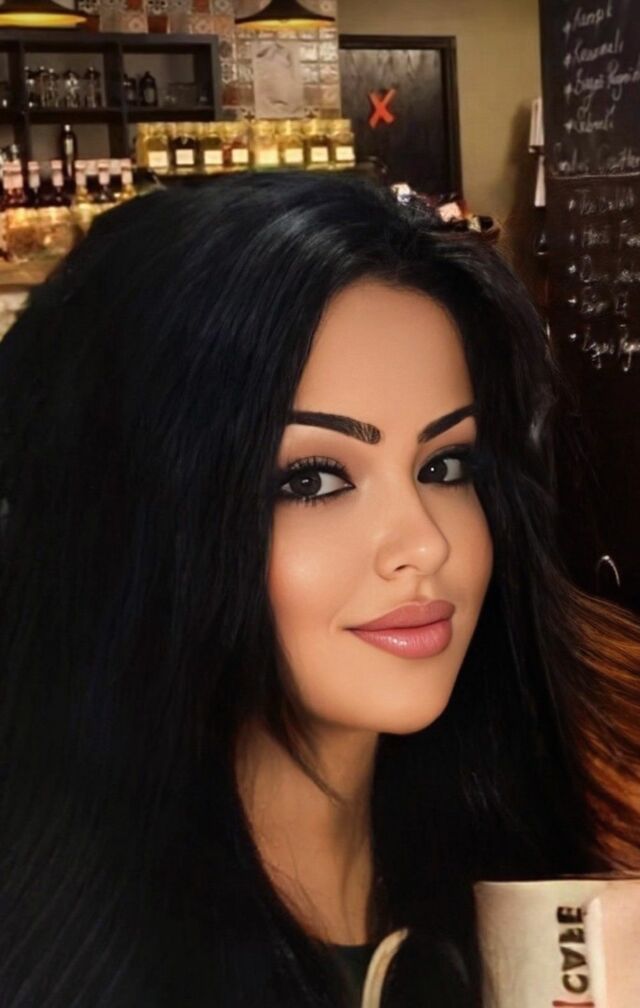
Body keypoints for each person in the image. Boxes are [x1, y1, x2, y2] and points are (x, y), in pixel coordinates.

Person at [0, 172, 638, 1008]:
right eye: (312, 480)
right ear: (135, 519)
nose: (426, 542)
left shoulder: (576, 849)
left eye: (445, 465)